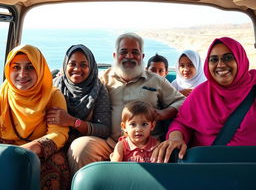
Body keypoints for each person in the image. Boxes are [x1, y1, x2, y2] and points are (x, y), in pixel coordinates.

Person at [67, 33, 185, 173]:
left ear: (142, 57)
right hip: (110, 143)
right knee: (81, 148)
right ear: (115, 55)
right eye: (124, 52)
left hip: (149, 145)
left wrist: (164, 113)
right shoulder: (102, 79)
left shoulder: (156, 80)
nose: (129, 56)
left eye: (135, 52)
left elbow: (182, 102)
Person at [151, 37, 256, 163]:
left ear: (240, 59)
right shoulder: (201, 94)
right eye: (214, 59)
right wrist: (176, 138)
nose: (220, 64)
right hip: (207, 167)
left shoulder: (253, 88)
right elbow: (182, 123)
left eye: (228, 57)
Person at [0, 44, 70, 190]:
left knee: (54, 168)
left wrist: (23, 152)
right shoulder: (3, 92)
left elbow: (58, 134)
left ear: (39, 68)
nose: (22, 74)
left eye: (30, 67)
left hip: (40, 152)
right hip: (6, 147)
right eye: (16, 67)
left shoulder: (52, 95)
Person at [49, 44, 111, 176]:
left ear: (91, 67)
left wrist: (73, 122)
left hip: (82, 144)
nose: (77, 69)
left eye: (83, 65)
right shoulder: (54, 85)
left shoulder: (99, 90)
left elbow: (104, 129)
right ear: (65, 65)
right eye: (72, 64)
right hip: (56, 137)